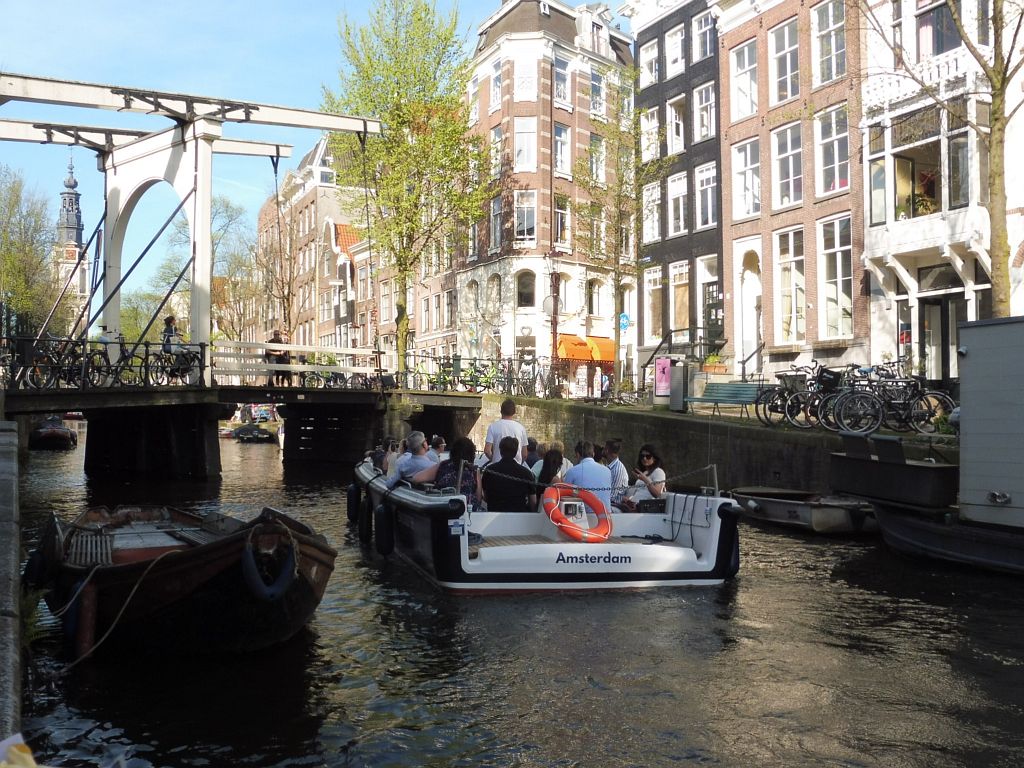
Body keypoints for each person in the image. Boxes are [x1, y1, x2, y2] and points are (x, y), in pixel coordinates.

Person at [413, 436, 482, 510]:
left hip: (445, 510)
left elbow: (416, 478)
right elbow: (479, 498)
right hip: (469, 510)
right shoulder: (474, 470)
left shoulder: (443, 466)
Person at [481, 435, 538, 511]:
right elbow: (533, 501)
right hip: (519, 515)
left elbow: (486, 497)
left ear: (500, 451)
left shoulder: (489, 470)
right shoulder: (526, 473)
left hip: (494, 512)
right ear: (516, 452)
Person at [564, 440, 612, 515]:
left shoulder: (572, 471)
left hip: (583, 515)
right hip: (606, 514)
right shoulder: (607, 471)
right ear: (593, 454)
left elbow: (565, 496)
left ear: (577, 454)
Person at [621, 443, 667, 511]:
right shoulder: (645, 472)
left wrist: (645, 479)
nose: (644, 458)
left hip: (645, 508)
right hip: (633, 506)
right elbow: (639, 493)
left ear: (654, 458)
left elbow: (657, 494)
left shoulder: (658, 471)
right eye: (642, 456)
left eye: (648, 456)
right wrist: (628, 500)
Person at [484, 398, 529, 464]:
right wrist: (520, 464)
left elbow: (487, 451)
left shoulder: (493, 427)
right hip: (515, 468)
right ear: (514, 412)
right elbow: (524, 454)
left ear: (501, 411)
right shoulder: (521, 428)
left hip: (498, 468)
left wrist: (494, 460)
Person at [603, 438, 630, 508]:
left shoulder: (618, 469)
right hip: (606, 504)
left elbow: (612, 496)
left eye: (604, 448)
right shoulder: (608, 466)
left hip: (615, 507)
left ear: (607, 450)